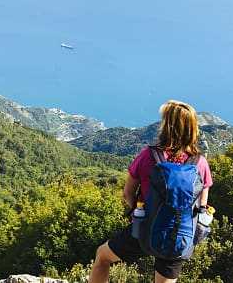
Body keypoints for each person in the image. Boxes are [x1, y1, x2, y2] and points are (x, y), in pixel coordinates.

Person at [89, 100, 213, 283]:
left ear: (167, 126)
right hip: (178, 238)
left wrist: (137, 213)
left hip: (144, 231)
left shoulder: (149, 156)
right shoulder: (199, 163)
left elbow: (127, 193)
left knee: (102, 257)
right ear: (192, 128)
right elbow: (202, 207)